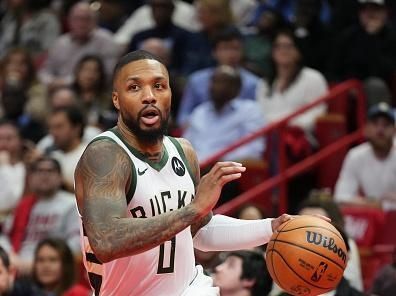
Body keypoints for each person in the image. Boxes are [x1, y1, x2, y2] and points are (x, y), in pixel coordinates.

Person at [74, 50, 294, 295]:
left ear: (170, 94)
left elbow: (199, 231)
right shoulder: (105, 155)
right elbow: (107, 241)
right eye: (135, 88)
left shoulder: (183, 150)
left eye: (159, 86)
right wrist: (192, 210)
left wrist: (271, 228)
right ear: (116, 99)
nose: (149, 96)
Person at [334, 102, 396, 209]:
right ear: (366, 129)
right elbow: (340, 198)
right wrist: (375, 204)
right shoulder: (355, 155)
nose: (380, 130)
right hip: (369, 217)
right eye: (375, 124)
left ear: (394, 130)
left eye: (386, 125)